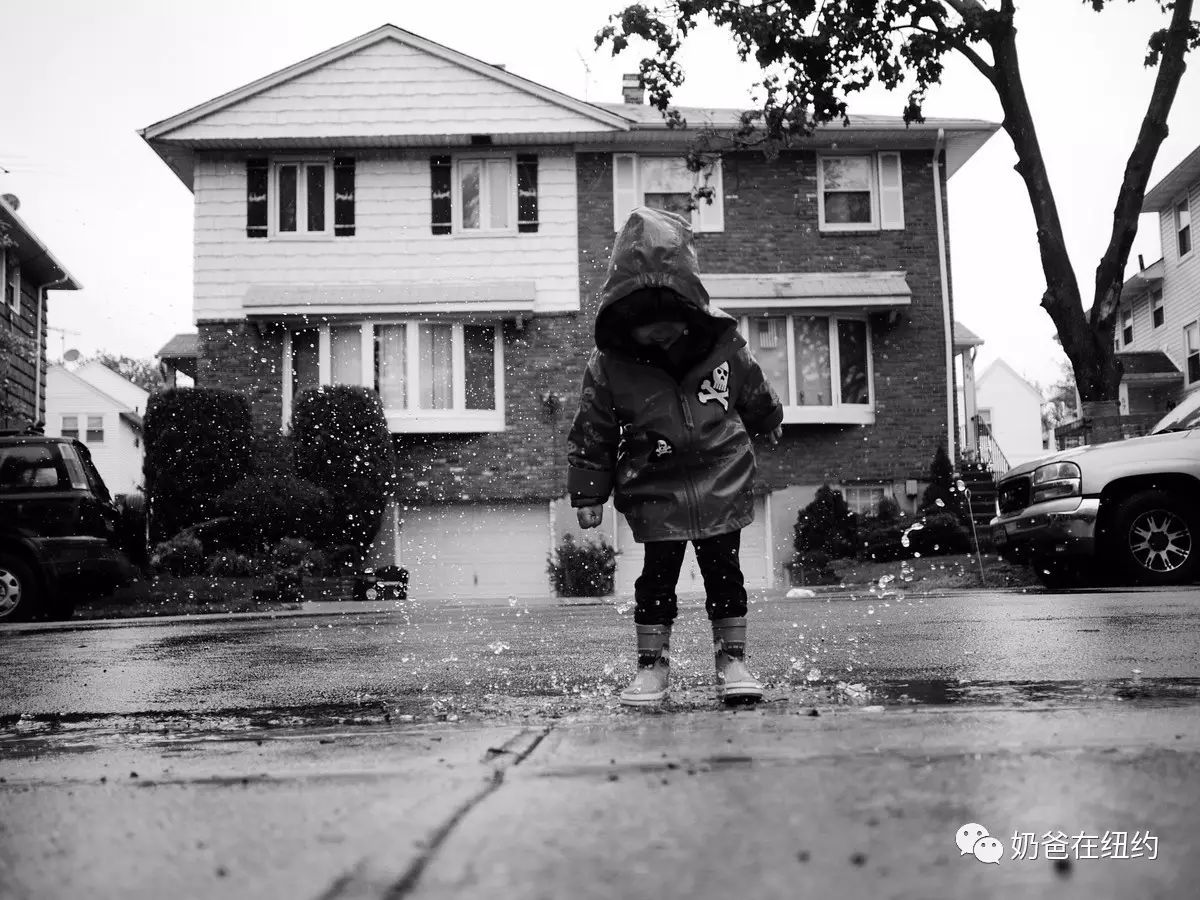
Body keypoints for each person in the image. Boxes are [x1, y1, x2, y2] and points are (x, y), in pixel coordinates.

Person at [567, 206, 784, 707]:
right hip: (655, 486)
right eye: (647, 324)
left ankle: (732, 661)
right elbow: (593, 428)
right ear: (624, 320)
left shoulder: (723, 345)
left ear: (690, 308)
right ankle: (652, 667)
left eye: (672, 319)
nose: (662, 331)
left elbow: (752, 387)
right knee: (656, 577)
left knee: (724, 572)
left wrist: (768, 420)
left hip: (721, 475)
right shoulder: (610, 367)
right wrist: (588, 490)